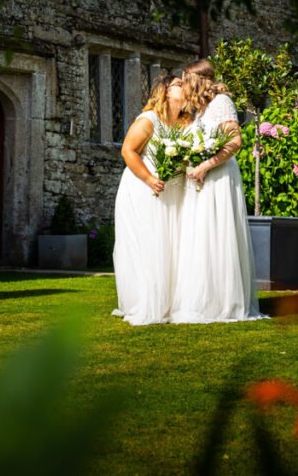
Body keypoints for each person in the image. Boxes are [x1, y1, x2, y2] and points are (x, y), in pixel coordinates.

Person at [170, 59, 264, 323]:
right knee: (200, 236)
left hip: (219, 177)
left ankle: (224, 301)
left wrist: (206, 166)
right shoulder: (200, 111)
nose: (183, 86)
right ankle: (203, 300)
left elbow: (235, 141)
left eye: (185, 81)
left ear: (196, 81)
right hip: (200, 178)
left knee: (217, 234)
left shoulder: (222, 103)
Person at [112, 75, 189, 326]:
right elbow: (127, 150)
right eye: (179, 83)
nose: (185, 86)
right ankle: (145, 302)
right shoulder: (149, 120)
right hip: (144, 190)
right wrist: (148, 178)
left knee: (170, 246)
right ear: (165, 92)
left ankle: (170, 303)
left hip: (171, 192)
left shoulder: (183, 121)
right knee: (149, 244)